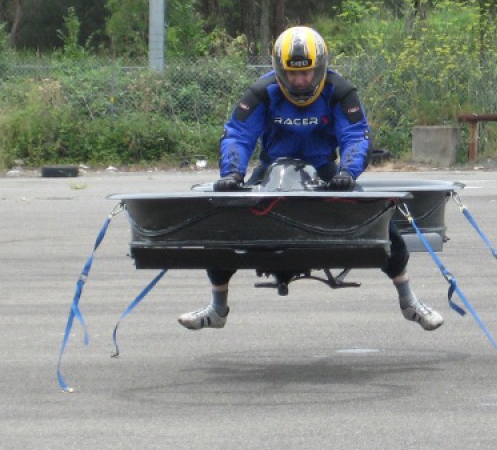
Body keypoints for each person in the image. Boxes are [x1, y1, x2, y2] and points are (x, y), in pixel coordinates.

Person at [178, 26, 443, 332]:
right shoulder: (261, 92)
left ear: (321, 68)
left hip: (326, 172)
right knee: (224, 224)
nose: (301, 81)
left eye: (307, 74)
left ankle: (409, 303)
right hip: (270, 171)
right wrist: (232, 173)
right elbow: (238, 134)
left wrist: (348, 172)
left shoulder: (341, 91)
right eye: (292, 74)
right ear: (280, 71)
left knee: (380, 222)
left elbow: (356, 135)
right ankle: (217, 308)